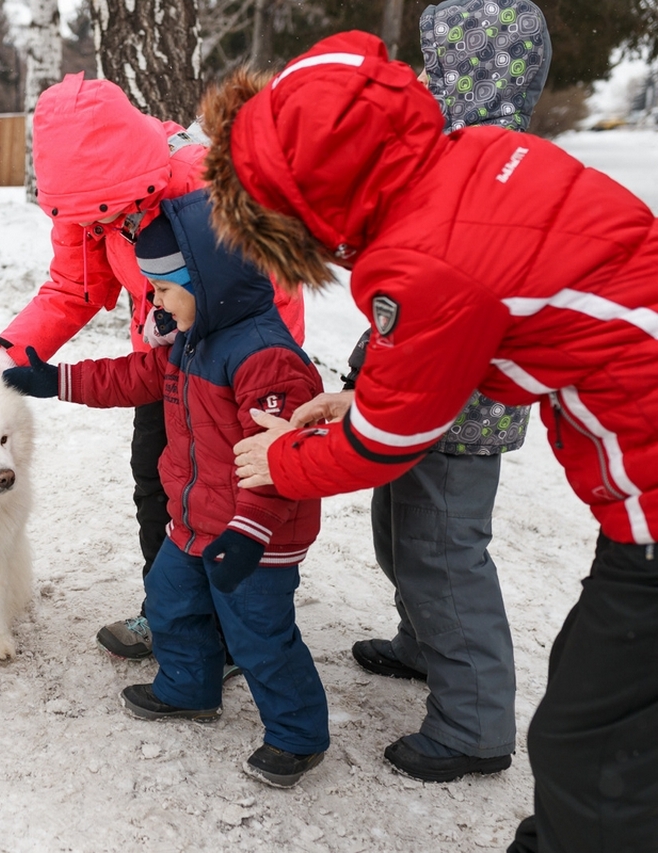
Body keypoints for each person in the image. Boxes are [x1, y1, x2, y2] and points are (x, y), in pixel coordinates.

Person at [203, 27, 658, 853]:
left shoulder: (420, 260)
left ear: (310, 200)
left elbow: (388, 443)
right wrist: (353, 395)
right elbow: (481, 326)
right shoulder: (474, 156)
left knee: (590, 734)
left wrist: (280, 460)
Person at [293, 0, 551, 784]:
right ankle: (423, 641)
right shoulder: (453, 159)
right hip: (413, 389)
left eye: (439, 66)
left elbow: (459, 298)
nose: (425, 80)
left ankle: (474, 722)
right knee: (401, 534)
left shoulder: (497, 172)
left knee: (444, 552)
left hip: (461, 409)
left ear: (468, 73)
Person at [3, 190, 328, 788]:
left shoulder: (267, 360)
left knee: (259, 637)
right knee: (173, 605)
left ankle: (297, 734)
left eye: (163, 290)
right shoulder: (191, 337)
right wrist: (57, 380)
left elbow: (281, 458)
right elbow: (135, 375)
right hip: (195, 518)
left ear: (209, 282)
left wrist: (249, 532)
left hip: (255, 532)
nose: (152, 302)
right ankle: (188, 688)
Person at [0, 71, 304, 663]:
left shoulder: (203, 183)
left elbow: (273, 288)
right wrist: (9, 356)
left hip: (238, 371)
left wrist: (268, 390)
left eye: (110, 216)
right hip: (161, 363)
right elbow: (72, 288)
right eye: (89, 221)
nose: (101, 229)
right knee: (159, 484)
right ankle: (172, 616)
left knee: (227, 495)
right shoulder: (84, 206)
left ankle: (232, 630)